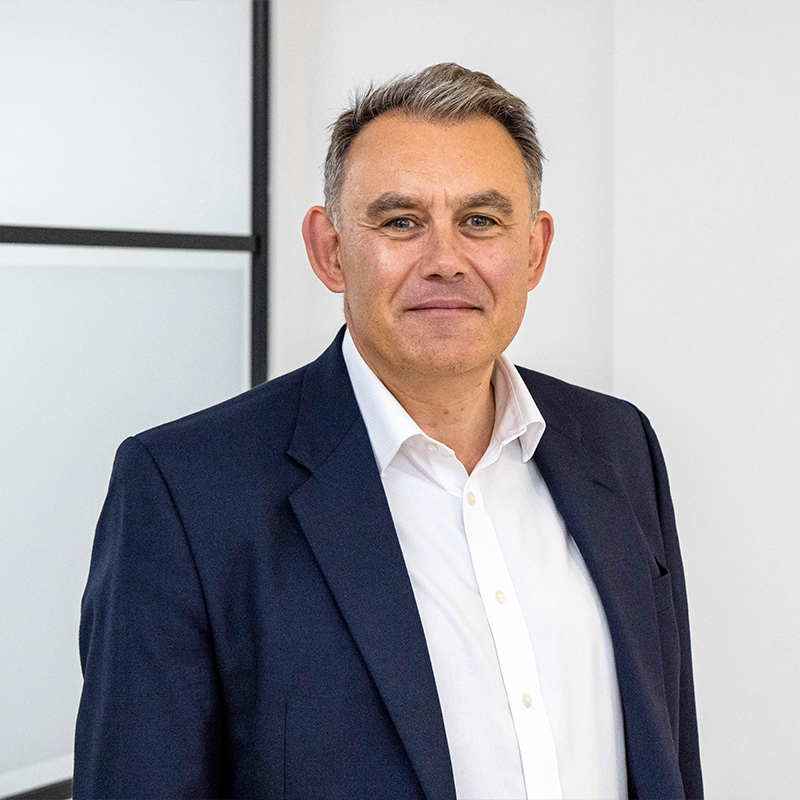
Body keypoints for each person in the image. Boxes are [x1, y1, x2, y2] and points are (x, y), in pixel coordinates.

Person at [74, 63, 702, 800]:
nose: (445, 262)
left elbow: (669, 752)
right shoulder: (185, 490)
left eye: (481, 220)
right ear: (330, 250)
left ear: (534, 250)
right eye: (401, 221)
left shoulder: (619, 445)